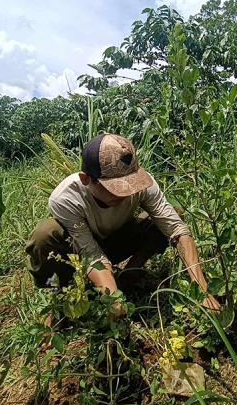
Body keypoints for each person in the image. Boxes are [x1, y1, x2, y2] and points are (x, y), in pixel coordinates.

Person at [26, 133, 221, 325]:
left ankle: (129, 274)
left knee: (174, 213)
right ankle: (59, 299)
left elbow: (177, 230)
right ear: (86, 179)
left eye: (129, 183)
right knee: (45, 234)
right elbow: (91, 254)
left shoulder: (143, 184)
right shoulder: (66, 198)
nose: (126, 192)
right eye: (114, 187)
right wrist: (113, 298)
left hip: (118, 239)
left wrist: (202, 290)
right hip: (80, 251)